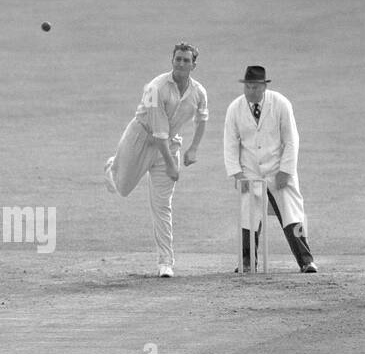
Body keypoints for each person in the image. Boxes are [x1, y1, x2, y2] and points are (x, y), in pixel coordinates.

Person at [103, 43, 209, 277]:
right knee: (122, 188)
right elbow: (158, 131)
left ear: (194, 64)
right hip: (140, 138)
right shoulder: (155, 87)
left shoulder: (199, 92)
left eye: (186, 60)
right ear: (172, 61)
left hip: (170, 143)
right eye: (177, 59)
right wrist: (172, 165)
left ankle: (165, 262)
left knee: (162, 206)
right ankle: (113, 167)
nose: (181, 63)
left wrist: (193, 149)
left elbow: (202, 119)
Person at [222, 65, 318, 273]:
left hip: (278, 170)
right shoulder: (235, 108)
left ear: (264, 86)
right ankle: (247, 263)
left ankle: (306, 260)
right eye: (247, 87)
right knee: (249, 216)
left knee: (292, 214)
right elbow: (230, 144)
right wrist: (237, 174)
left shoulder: (281, 104)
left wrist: (286, 170)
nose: (250, 92)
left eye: (255, 87)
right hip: (250, 172)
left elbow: (292, 140)